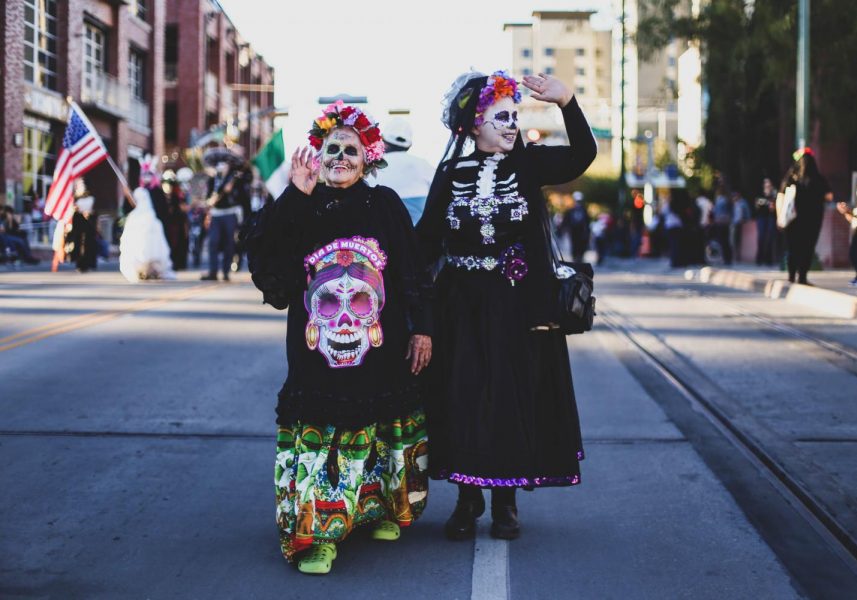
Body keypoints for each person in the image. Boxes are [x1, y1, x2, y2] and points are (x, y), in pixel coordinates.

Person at [243, 101, 433, 575]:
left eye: (351, 149)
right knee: (322, 439)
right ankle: (318, 537)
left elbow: (412, 270)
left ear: (368, 156)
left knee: (379, 429)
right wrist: (293, 196)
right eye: (332, 148)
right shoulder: (301, 204)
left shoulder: (385, 203)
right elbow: (272, 276)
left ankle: (379, 509)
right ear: (318, 154)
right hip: (317, 357)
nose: (341, 157)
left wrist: (423, 326)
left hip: (381, 348)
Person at [417, 70, 594, 541]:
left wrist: (567, 102)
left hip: (517, 305)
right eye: (501, 117)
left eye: (515, 116)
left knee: (511, 400)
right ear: (474, 125)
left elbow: (583, 155)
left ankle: (506, 502)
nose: (512, 124)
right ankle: (466, 498)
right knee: (464, 398)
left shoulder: (529, 165)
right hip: (461, 306)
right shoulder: (451, 173)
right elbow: (426, 241)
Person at [779, 148, 833, 285]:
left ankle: (791, 276)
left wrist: (779, 216)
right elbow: (829, 196)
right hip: (812, 220)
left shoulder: (790, 178)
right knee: (807, 247)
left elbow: (780, 196)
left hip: (792, 219)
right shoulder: (818, 179)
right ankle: (802, 277)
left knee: (792, 247)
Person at [374, 116, 434, 225]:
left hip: (380, 236)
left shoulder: (372, 167)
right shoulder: (423, 165)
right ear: (409, 145)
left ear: (383, 141)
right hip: (417, 236)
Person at [118, 187, 175, 282]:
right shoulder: (152, 218)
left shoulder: (134, 218)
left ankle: (144, 271)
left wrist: (128, 196)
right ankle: (148, 271)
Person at [201, 160, 242, 281]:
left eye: (224, 164)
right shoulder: (213, 180)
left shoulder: (234, 179)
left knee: (228, 243)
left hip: (229, 213)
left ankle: (225, 271)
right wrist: (210, 200)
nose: (221, 167)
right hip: (216, 214)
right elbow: (208, 197)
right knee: (213, 241)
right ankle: (213, 271)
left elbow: (241, 196)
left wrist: (232, 191)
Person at [160, 170, 189, 270]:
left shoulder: (178, 196)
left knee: (178, 243)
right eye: (166, 183)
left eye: (170, 184)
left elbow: (183, 209)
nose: (168, 186)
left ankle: (177, 263)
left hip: (177, 224)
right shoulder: (160, 196)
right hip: (166, 224)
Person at [68, 196, 99, 272]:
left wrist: (89, 214)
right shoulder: (77, 204)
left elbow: (94, 217)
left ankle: (89, 263)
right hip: (79, 229)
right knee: (79, 246)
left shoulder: (91, 199)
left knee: (89, 245)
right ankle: (80, 264)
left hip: (89, 230)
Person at [561, 191, 590, 262]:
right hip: (573, 231)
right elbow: (566, 221)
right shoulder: (570, 211)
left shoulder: (584, 210)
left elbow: (587, 222)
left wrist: (587, 231)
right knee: (574, 244)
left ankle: (580, 257)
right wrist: (565, 229)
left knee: (581, 244)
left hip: (582, 231)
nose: (578, 203)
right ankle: (575, 257)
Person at [754, 178, 777, 265]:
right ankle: (759, 259)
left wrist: (768, 203)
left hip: (771, 217)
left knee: (770, 237)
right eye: (766, 183)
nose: (767, 185)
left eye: (769, 184)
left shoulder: (774, 193)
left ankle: (769, 260)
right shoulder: (760, 193)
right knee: (761, 237)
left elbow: (774, 206)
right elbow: (757, 204)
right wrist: (767, 203)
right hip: (761, 217)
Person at [711, 185, 733, 265]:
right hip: (726, 222)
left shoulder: (718, 200)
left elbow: (715, 211)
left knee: (722, 241)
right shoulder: (727, 199)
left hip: (719, 222)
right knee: (727, 241)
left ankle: (725, 258)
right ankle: (728, 258)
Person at [730, 190, 751, 262]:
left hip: (739, 223)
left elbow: (747, 213)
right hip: (733, 223)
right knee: (732, 240)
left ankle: (737, 256)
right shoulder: (732, 203)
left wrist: (745, 220)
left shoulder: (743, 203)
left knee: (738, 241)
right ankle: (733, 256)